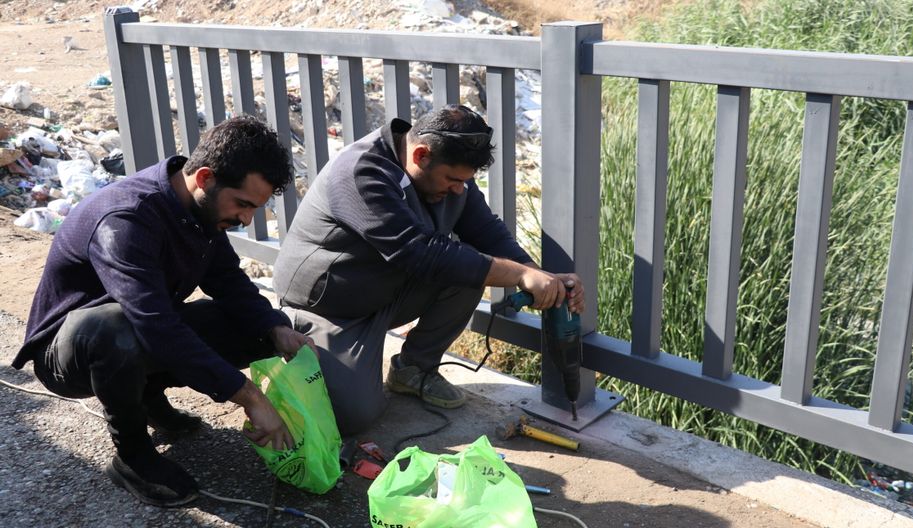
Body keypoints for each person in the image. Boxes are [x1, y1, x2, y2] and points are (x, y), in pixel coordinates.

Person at [13, 116, 316, 507]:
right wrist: (250, 397)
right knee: (115, 329)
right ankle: (133, 457)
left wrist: (277, 329)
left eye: (254, 208)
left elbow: (228, 281)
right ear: (205, 177)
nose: (246, 219)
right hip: (69, 353)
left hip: (140, 327)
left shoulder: (198, 210)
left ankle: (147, 396)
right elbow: (155, 326)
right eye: (243, 204)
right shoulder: (126, 220)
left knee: (252, 327)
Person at [274, 104, 584, 435]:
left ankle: (413, 369)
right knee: (354, 418)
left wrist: (538, 276)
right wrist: (519, 276)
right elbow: (419, 253)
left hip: (383, 289)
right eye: (453, 180)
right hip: (329, 305)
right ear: (421, 155)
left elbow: (485, 231)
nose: (458, 190)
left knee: (469, 268)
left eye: (465, 182)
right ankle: (294, 332)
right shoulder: (361, 172)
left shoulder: (445, 173)